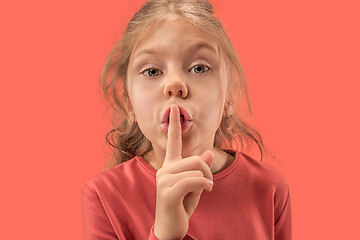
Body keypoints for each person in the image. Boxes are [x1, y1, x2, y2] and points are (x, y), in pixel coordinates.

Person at [81, 0, 292, 239]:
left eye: (199, 68)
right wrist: (165, 234)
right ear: (129, 102)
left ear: (229, 95)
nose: (175, 85)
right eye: (152, 71)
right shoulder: (103, 195)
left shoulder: (268, 188)